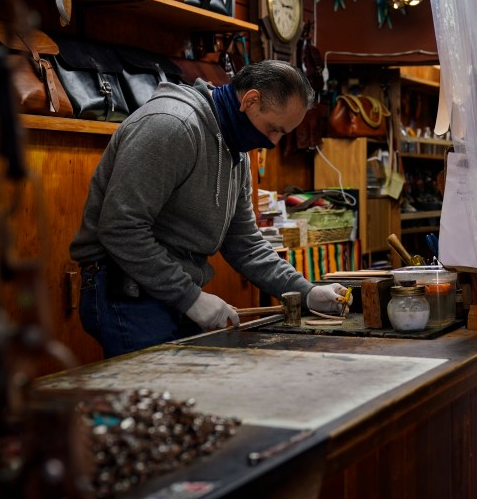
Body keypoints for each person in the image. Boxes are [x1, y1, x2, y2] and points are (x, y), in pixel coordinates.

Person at [70, 60, 347, 358]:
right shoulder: (171, 125)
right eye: (273, 129)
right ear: (250, 100)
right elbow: (120, 228)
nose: (273, 143)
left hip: (171, 291)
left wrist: (306, 292)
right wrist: (191, 298)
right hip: (126, 291)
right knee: (155, 401)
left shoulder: (236, 150)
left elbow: (245, 244)